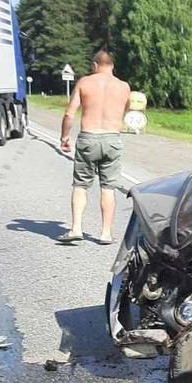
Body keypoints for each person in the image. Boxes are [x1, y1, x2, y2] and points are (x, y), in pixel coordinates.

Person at [58, 50, 131, 244]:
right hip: (112, 139)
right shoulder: (124, 87)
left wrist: (65, 136)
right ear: (112, 66)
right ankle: (105, 234)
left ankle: (76, 229)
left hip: (88, 138)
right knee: (108, 187)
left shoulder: (85, 82)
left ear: (94, 66)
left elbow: (69, 114)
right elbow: (125, 110)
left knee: (80, 185)